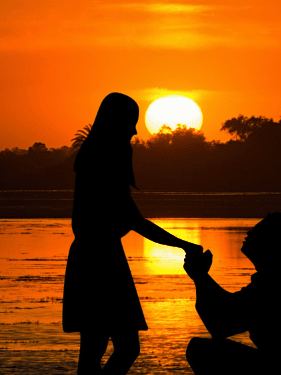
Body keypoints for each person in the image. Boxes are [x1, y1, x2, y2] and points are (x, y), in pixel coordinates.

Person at [63, 92, 202, 375]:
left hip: (99, 255)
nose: (135, 131)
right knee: (113, 345)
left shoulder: (95, 156)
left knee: (98, 345)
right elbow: (136, 222)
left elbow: (128, 219)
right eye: (131, 122)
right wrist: (185, 245)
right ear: (116, 123)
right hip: (98, 259)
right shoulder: (101, 159)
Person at [184, 212, 281, 375]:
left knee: (201, 350)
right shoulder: (278, 275)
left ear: (272, 242)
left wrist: (200, 276)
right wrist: (201, 276)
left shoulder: (276, 281)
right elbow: (227, 312)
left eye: (258, 231)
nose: (249, 233)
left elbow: (221, 324)